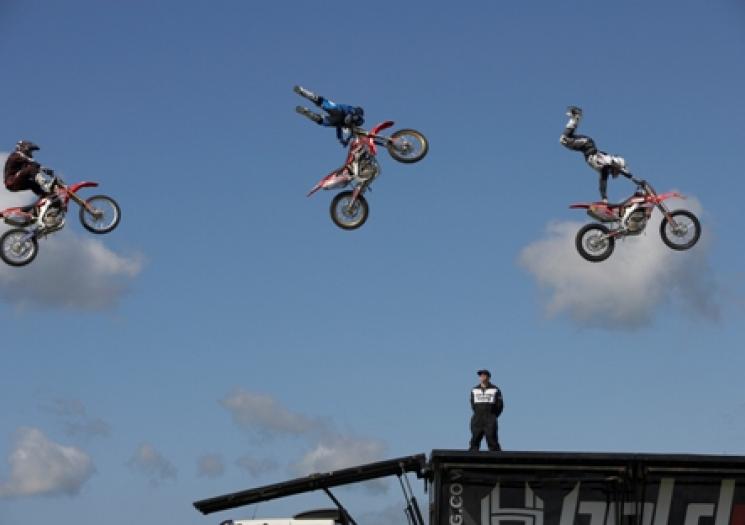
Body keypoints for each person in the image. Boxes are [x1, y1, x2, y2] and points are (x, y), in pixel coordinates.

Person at [559, 106, 634, 203]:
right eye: (615, 172)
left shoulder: (605, 171)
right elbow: (616, 165)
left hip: (586, 149)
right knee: (564, 139)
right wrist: (630, 176)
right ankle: (577, 117)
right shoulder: (609, 161)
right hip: (587, 144)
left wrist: (604, 198)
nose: (612, 173)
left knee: (565, 139)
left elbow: (602, 185)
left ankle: (575, 118)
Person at [4, 140, 58, 225]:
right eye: (29, 150)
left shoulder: (23, 159)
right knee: (31, 168)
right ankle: (45, 185)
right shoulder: (16, 155)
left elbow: (31, 163)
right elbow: (31, 162)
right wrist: (43, 168)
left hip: (18, 182)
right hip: (11, 181)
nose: (30, 153)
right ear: (23, 148)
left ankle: (40, 205)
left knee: (34, 184)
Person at [294, 85, 365, 146]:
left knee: (322, 119)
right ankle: (303, 92)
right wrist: (352, 114)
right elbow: (357, 112)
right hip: (339, 110)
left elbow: (339, 128)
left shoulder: (349, 125)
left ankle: (307, 112)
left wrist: (342, 139)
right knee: (322, 103)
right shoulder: (356, 114)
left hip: (338, 119)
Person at [469, 369, 503, 452]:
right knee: (475, 439)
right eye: (481, 376)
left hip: (490, 418)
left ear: (488, 377)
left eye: (484, 375)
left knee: (492, 439)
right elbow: (473, 404)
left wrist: (493, 415)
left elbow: (500, 406)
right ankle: (472, 461)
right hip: (477, 418)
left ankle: (497, 460)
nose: (482, 377)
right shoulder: (474, 390)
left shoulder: (495, 389)